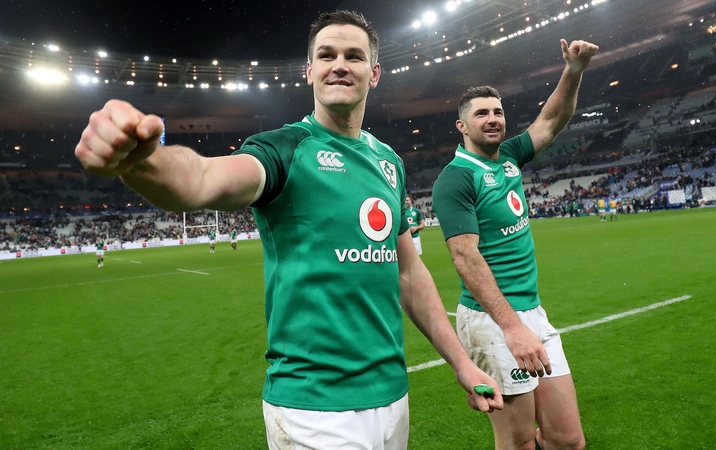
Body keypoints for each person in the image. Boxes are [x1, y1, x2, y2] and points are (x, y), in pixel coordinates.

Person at [74, 10, 501, 449]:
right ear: (309, 71)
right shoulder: (283, 149)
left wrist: (462, 363)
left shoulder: (388, 161)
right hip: (314, 408)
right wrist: (142, 160)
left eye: (354, 56)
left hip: (393, 397)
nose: (339, 65)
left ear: (374, 74)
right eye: (326, 55)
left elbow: (409, 273)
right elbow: (200, 178)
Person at [432, 38, 598, 450]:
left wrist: (574, 70)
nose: (492, 119)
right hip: (493, 321)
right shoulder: (456, 179)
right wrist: (511, 327)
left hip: (531, 312)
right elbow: (464, 256)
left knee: (567, 440)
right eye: (481, 113)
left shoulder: (509, 156)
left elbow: (551, 120)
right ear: (462, 126)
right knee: (518, 441)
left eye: (498, 112)